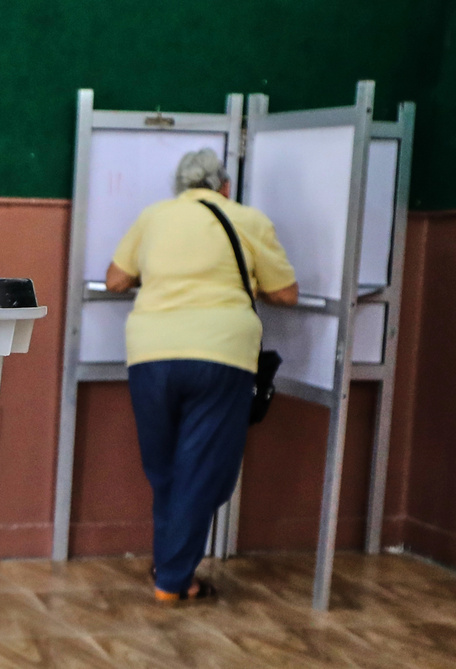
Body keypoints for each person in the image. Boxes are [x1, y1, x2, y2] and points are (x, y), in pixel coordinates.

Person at [105, 148, 298, 604]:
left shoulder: (153, 217)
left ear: (181, 187)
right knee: (203, 469)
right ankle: (173, 579)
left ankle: (171, 563)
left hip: (150, 352)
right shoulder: (249, 220)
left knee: (165, 466)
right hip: (220, 355)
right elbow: (285, 293)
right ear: (224, 186)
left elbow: (115, 279)